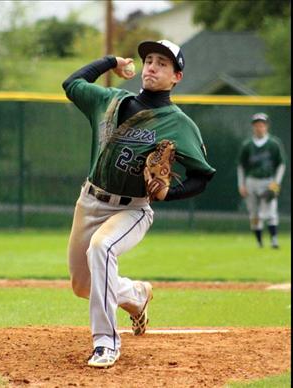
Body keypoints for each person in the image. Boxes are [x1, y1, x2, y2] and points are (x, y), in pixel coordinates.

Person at [62, 39, 216, 368]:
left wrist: (166, 194)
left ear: (176, 76)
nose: (152, 67)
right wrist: (111, 61)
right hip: (90, 200)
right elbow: (72, 84)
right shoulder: (109, 102)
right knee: (81, 284)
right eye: (149, 60)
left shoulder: (178, 124)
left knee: (101, 249)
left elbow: (202, 176)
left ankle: (105, 342)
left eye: (163, 63)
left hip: (132, 208)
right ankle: (135, 295)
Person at [237, 113, 286, 249]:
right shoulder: (247, 145)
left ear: (267, 127)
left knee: (271, 212)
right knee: (254, 213)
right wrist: (241, 184)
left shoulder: (274, 144)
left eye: (262, 125)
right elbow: (241, 166)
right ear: (253, 127)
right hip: (251, 181)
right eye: (257, 125)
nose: (260, 127)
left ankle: (274, 241)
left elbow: (281, 164)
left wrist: (276, 182)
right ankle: (259, 243)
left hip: (268, 181)